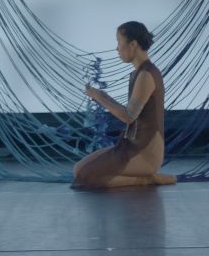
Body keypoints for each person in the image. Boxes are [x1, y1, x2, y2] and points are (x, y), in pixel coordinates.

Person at [73, 21, 176, 189]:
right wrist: (103, 95)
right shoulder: (139, 73)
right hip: (131, 145)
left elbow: (128, 116)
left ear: (133, 44)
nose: (117, 49)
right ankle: (145, 177)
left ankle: (148, 179)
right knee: (79, 169)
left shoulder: (145, 75)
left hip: (145, 152)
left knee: (85, 177)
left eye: (119, 42)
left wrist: (100, 98)